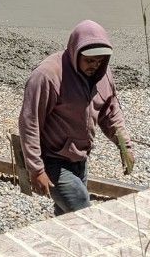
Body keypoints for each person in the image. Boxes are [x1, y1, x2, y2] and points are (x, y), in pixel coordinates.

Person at [18, 20, 136, 215]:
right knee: (82, 211)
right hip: (53, 160)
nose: (95, 66)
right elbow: (29, 123)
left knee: (66, 217)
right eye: (89, 61)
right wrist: (37, 170)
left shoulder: (102, 74)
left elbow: (110, 111)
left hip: (80, 158)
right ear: (76, 52)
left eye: (99, 61)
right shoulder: (48, 76)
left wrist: (124, 146)